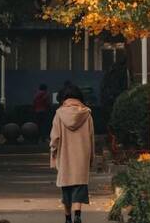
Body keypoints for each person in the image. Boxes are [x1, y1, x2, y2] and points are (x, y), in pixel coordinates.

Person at [49, 83, 94, 223]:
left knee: (66, 188)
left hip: (65, 157)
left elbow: (55, 137)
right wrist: (91, 157)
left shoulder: (59, 114)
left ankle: (68, 218)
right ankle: (78, 215)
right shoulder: (87, 114)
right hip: (82, 156)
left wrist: (53, 151)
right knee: (80, 186)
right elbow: (91, 137)